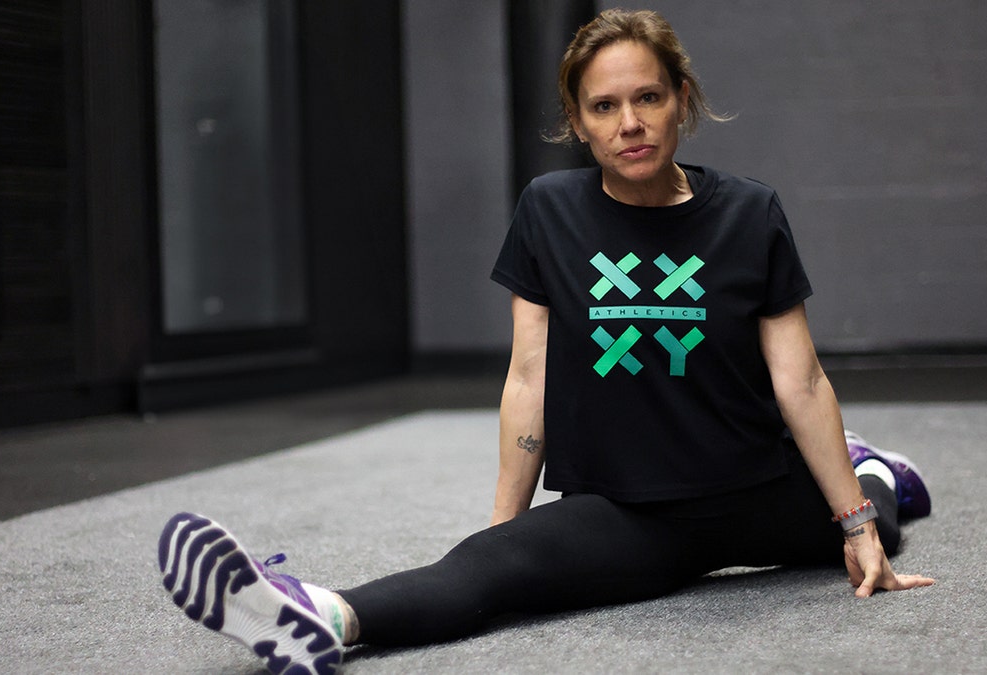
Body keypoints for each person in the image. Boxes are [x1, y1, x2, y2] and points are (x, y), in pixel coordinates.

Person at [157, 9, 935, 674]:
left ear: (682, 101)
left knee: (879, 514)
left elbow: (799, 381)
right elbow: (527, 375)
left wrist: (857, 523)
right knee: (479, 573)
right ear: (578, 121)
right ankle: (315, 617)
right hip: (628, 509)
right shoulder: (549, 210)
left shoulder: (749, 213)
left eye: (648, 98)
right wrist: (506, 531)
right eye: (603, 107)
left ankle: (873, 463)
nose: (629, 123)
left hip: (751, 486)